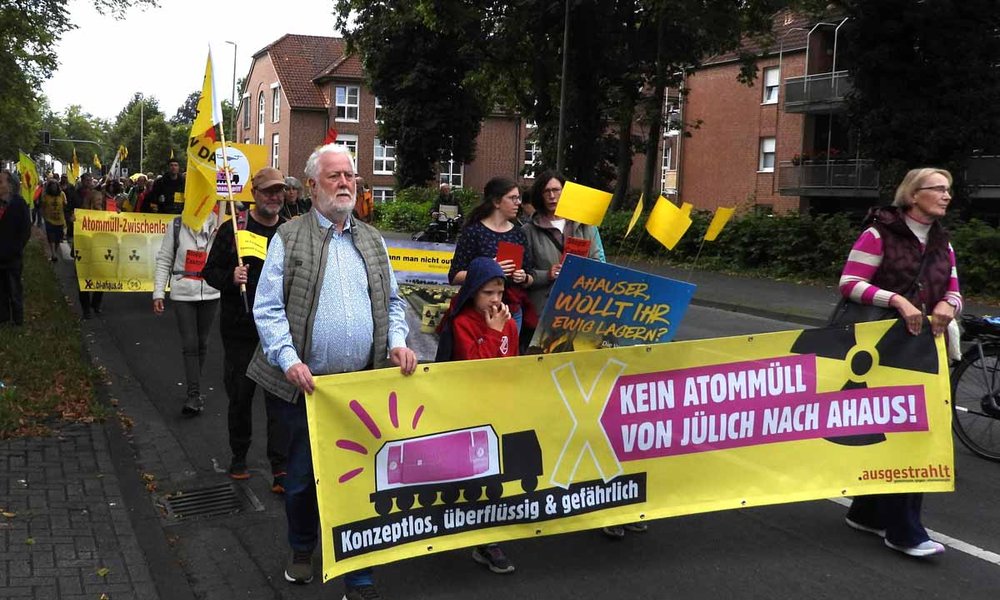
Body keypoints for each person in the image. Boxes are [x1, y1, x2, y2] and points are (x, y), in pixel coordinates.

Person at [247, 143, 417, 599]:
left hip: (363, 385)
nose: (345, 183)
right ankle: (302, 548)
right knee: (302, 479)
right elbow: (267, 310)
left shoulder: (372, 240)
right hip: (308, 388)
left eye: (350, 176)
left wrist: (398, 344)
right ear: (311, 186)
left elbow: (394, 302)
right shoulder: (288, 237)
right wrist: (289, 360)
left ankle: (359, 573)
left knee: (362, 480)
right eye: (334, 176)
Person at [839, 167, 962, 558]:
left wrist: (947, 303)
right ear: (913, 195)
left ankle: (868, 513)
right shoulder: (878, 235)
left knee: (910, 430)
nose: (946, 196)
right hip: (884, 350)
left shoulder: (943, 242)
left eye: (949, 190)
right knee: (905, 431)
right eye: (938, 189)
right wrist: (896, 300)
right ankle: (904, 530)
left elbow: (955, 289)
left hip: (925, 349)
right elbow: (849, 283)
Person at [202, 167, 289, 493]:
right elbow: (210, 271)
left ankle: (279, 466)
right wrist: (231, 277)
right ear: (255, 194)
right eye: (268, 191)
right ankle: (239, 456)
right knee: (240, 397)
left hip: (278, 332)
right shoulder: (234, 230)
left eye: (279, 191)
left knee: (279, 400)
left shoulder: (288, 232)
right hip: (240, 329)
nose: (275, 197)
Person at [434, 256, 518, 574]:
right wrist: (494, 333)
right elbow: (474, 367)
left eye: (500, 292)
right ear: (472, 293)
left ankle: (487, 541)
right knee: (466, 476)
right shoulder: (461, 324)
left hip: (497, 411)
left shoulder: (508, 322)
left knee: (493, 478)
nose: (496, 300)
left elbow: (511, 366)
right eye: (488, 293)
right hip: (465, 413)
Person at [152, 204, 222, 416]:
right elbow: (164, 260)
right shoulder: (176, 225)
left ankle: (195, 386)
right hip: (183, 292)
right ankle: (193, 394)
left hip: (211, 292)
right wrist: (158, 293)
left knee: (202, 342)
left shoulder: (219, 225)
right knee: (190, 343)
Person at [522, 171, 605, 343]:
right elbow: (523, 274)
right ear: (540, 195)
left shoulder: (584, 225)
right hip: (544, 310)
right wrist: (548, 274)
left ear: (565, 192)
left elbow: (598, 262)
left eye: (556, 190)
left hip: (579, 308)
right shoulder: (528, 231)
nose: (552, 196)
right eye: (547, 191)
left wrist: (583, 270)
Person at [447, 177, 534, 333]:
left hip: (511, 311)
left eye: (518, 198)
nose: (518, 202)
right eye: (512, 198)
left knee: (507, 356)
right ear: (496, 202)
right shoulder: (474, 232)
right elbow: (454, 276)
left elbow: (530, 274)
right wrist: (489, 269)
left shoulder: (519, 234)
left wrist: (524, 277)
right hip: (479, 312)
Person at [0, 170, 32, 326]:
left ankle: (17, 320)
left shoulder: (19, 204)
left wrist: (16, 248)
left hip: (12, 257)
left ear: (10, 186)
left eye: (0, 182)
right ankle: (4, 318)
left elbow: (26, 230)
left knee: (14, 289)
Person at [77, 190, 107, 319]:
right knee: (84, 279)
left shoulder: (106, 214)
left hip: (101, 250)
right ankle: (86, 309)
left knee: (102, 278)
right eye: (97, 199)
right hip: (85, 250)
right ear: (91, 201)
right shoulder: (83, 214)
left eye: (101, 199)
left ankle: (96, 303)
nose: (100, 202)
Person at [39, 178, 67, 262]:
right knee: (51, 237)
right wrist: (43, 216)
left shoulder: (62, 194)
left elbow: (65, 204)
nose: (54, 188)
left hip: (60, 220)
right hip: (49, 220)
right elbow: (42, 205)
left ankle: (55, 250)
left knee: (58, 238)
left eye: (55, 186)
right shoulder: (46, 196)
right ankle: (53, 254)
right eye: (52, 186)